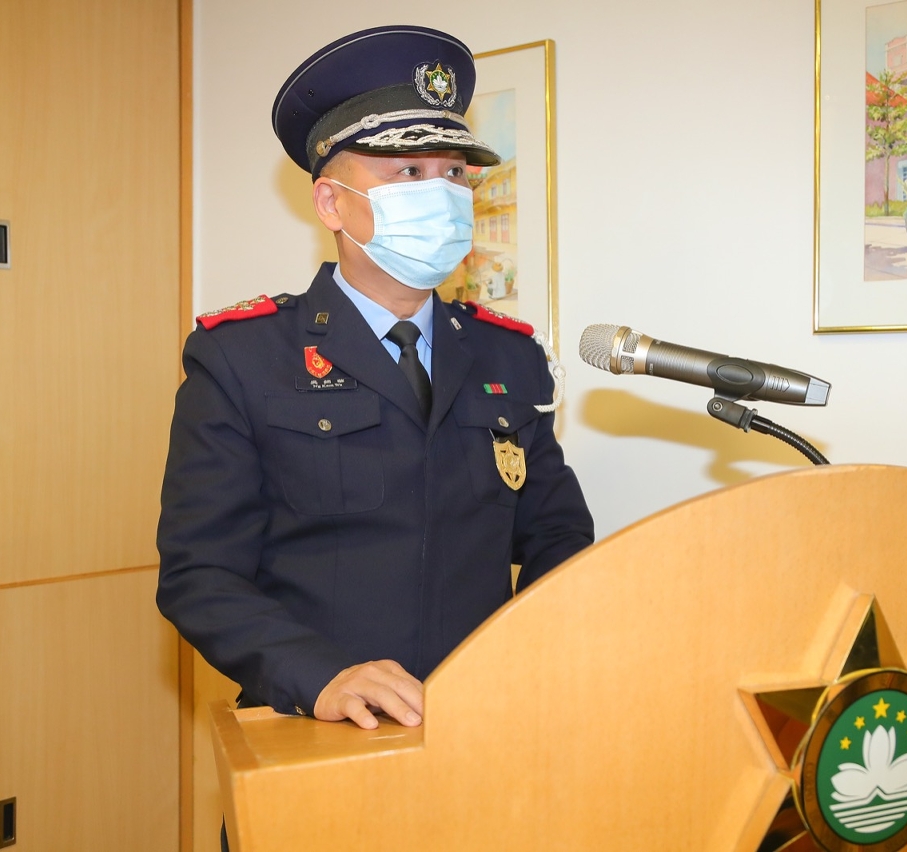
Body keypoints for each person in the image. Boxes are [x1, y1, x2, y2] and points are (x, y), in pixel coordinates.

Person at [156, 25, 594, 744]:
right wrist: (319, 675)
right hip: (314, 723)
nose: (442, 194)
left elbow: (556, 530)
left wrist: (525, 654)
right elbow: (199, 574)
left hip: (483, 722)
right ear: (331, 204)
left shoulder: (507, 356)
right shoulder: (242, 357)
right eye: (409, 172)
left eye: (455, 174)